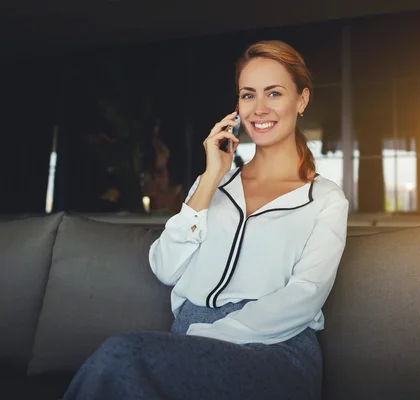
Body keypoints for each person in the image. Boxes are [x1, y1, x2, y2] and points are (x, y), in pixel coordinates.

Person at [63, 40, 349, 400]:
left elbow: (305, 296)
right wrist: (212, 176)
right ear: (237, 107)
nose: (259, 109)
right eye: (248, 95)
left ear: (302, 100)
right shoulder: (212, 183)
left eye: (274, 93)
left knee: (122, 354)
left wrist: (205, 335)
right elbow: (165, 267)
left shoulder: (325, 199)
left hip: (276, 350)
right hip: (191, 340)